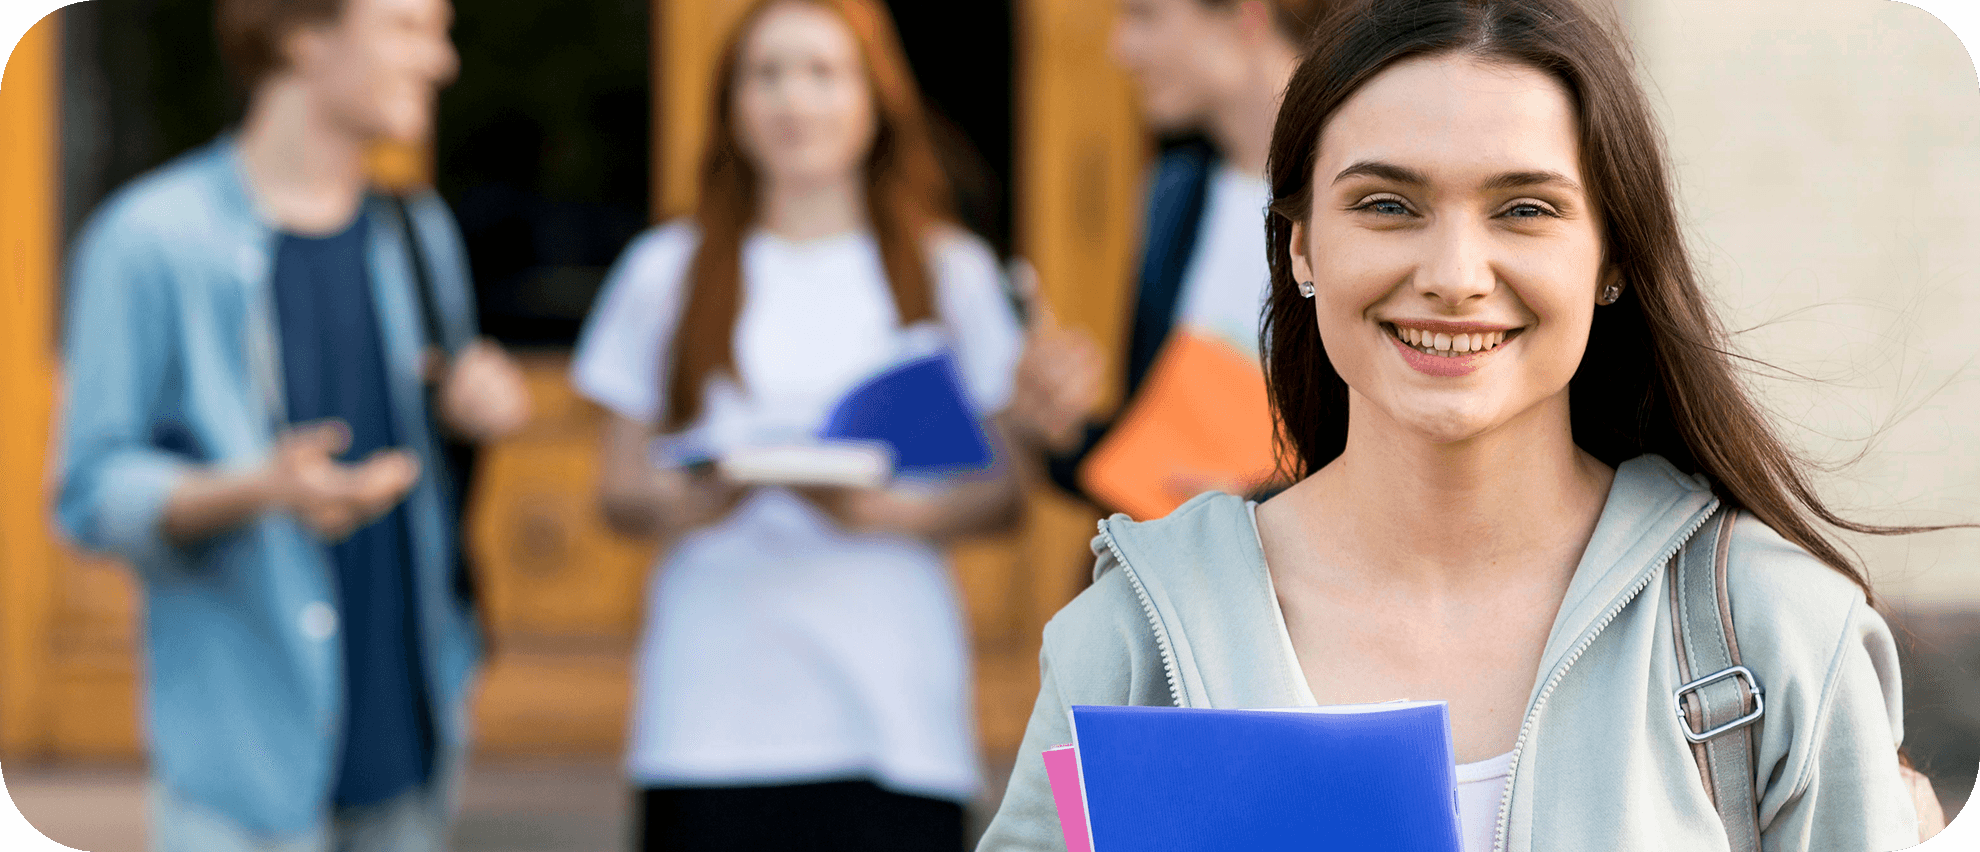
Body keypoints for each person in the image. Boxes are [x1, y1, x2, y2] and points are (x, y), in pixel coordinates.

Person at [975, 0, 1950, 849]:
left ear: (1611, 255)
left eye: (1524, 208)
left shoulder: (1777, 637)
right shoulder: (1130, 639)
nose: (1451, 273)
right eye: (1388, 204)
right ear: (1304, 245)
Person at [54, 0, 530, 848]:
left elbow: (433, 474)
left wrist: (467, 413)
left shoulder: (418, 233)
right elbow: (89, 492)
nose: (442, 62)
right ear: (302, 35)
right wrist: (255, 492)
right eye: (409, 28)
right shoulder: (151, 241)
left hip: (412, 750)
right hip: (243, 770)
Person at [567, 1, 1024, 850]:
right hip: (711, 713)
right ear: (731, 106)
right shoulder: (664, 269)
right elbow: (619, 488)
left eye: (821, 73)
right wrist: (702, 499)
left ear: (874, 98)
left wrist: (882, 512)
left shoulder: (947, 272)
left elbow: (1002, 492)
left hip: (891, 712)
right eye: (767, 74)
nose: (793, 99)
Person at [1004, 0, 1323, 510]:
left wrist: (1264, 500)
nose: (1120, 50)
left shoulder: (1366, 195)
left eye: (1144, 15)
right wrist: (1054, 426)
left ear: (1247, 16)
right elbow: (1153, 466)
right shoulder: (1174, 195)